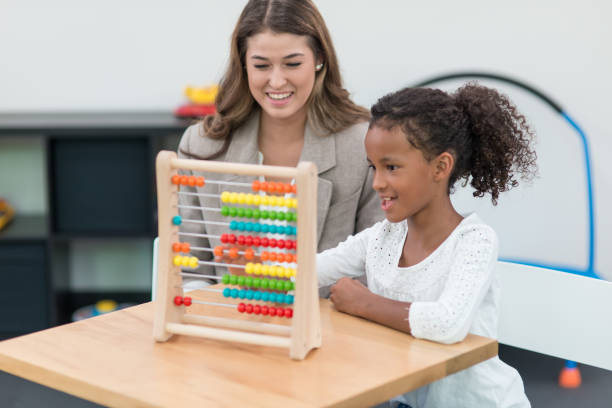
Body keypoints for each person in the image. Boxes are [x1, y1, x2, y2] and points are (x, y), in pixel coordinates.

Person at [317, 84, 537, 407]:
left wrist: (363, 303)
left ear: (441, 167)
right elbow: (310, 269)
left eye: (391, 167)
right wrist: (251, 263)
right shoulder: (381, 239)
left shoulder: (474, 241)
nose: (377, 182)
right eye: (373, 167)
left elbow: (446, 323)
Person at [176, 0, 383, 285]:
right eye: (261, 65)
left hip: (332, 325)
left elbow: (378, 271)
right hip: (231, 322)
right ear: (244, 64)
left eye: (293, 64)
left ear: (319, 58)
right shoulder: (201, 147)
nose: (276, 81)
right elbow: (190, 274)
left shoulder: (361, 145)